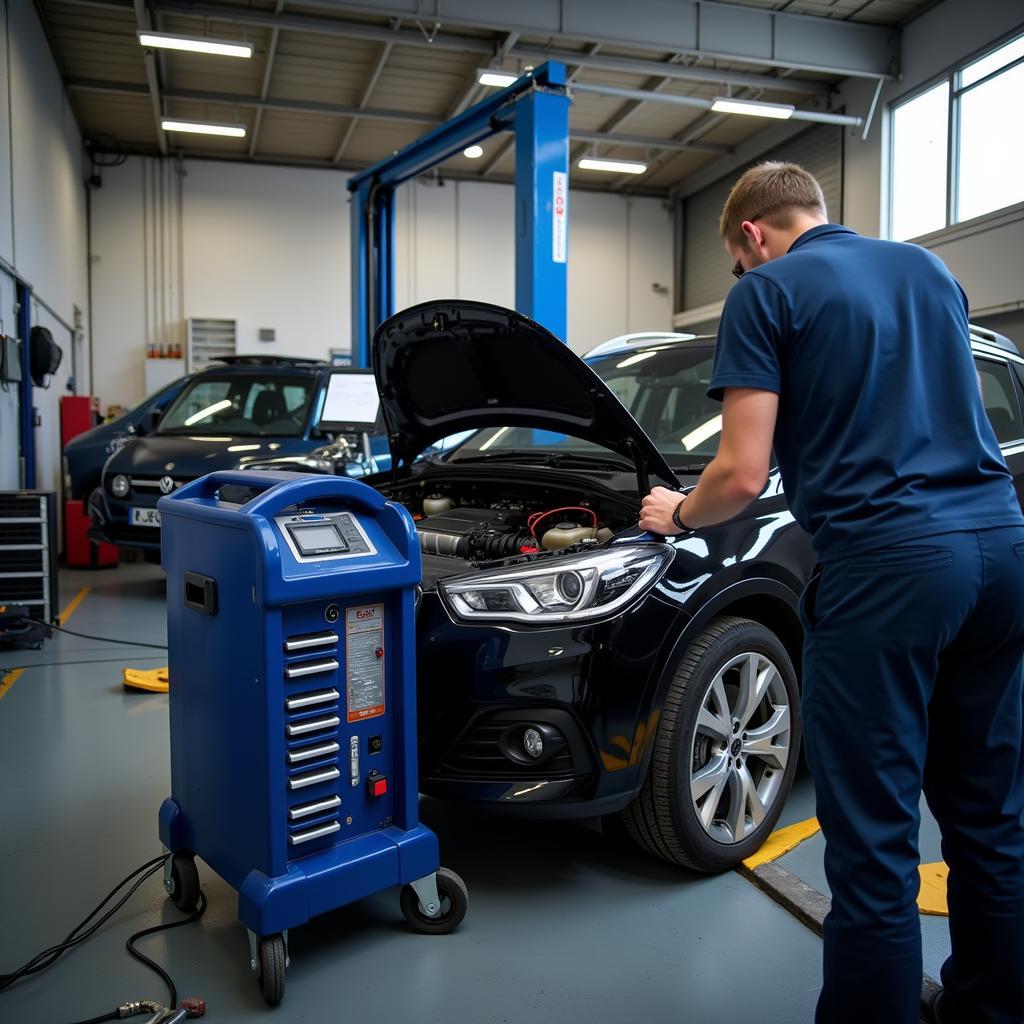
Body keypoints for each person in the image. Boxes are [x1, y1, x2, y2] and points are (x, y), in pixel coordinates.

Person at [638, 162, 1024, 1024]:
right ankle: (991, 1011)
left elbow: (739, 474)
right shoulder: (928, 270)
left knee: (875, 843)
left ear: (750, 237)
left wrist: (677, 512)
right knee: (992, 819)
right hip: (1001, 552)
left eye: (741, 264)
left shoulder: (765, 292)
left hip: (890, 567)